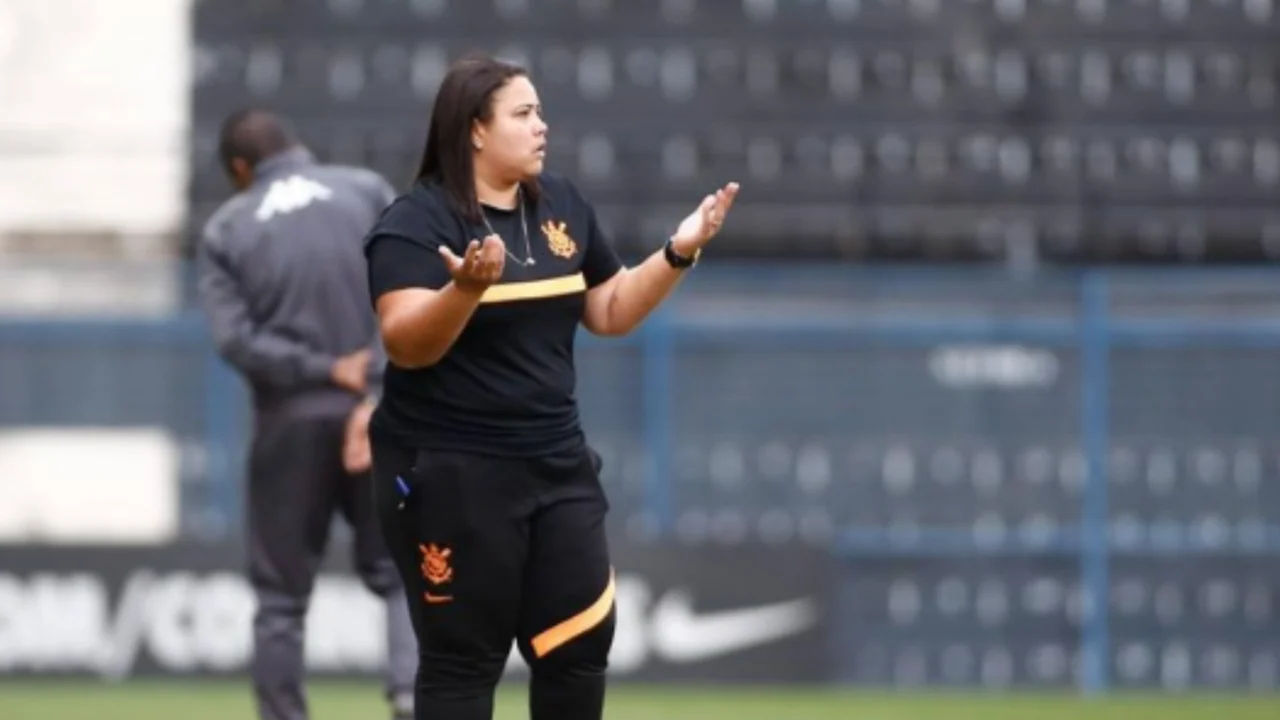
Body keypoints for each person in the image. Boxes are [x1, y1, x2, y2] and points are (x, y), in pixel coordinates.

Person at [362, 54, 739, 720]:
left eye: (540, 112)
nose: (543, 126)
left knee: (579, 647)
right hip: (452, 472)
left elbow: (611, 309)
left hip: (555, 465)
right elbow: (406, 343)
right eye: (524, 113)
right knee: (462, 663)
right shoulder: (415, 223)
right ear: (475, 130)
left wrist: (679, 251)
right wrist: (466, 289)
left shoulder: (561, 205)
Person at [196, 109, 417, 720]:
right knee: (405, 570)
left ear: (241, 169)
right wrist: (373, 386)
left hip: (289, 423)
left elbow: (235, 341)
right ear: (298, 145)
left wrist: (322, 369)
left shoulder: (227, 228)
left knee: (280, 601)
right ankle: (410, 698)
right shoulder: (366, 189)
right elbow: (414, 290)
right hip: (383, 416)